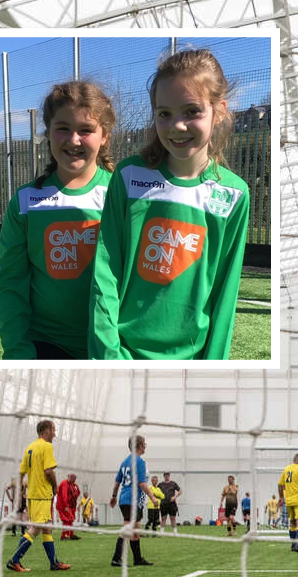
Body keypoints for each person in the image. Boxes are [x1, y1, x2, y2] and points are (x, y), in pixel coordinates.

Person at [89, 49, 250, 360]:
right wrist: (108, 351)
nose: (177, 125)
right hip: (121, 352)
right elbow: (104, 271)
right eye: (165, 113)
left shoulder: (234, 195)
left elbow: (225, 295)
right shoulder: (129, 175)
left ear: (218, 112)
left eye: (191, 111)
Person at [0, 81, 116, 360]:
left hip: (112, 346)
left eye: (86, 130)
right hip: (46, 344)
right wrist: (17, 349)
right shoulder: (26, 202)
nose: (74, 140)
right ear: (47, 132)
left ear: (104, 135)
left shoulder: (122, 196)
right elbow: (9, 283)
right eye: (63, 128)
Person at [6, 420, 70, 572]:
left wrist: (22, 490)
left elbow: (21, 472)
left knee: (47, 528)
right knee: (35, 529)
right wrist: (55, 487)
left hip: (32, 494)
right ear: (46, 431)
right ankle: (14, 560)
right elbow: (49, 471)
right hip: (42, 494)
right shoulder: (46, 446)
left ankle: (54, 562)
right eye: (53, 430)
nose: (55, 434)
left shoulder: (30, 447)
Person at [109, 436, 155, 567]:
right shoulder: (139, 461)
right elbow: (142, 483)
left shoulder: (125, 462)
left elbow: (117, 481)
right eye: (144, 444)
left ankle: (137, 559)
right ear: (140, 446)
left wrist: (113, 496)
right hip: (131, 500)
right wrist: (152, 497)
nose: (145, 446)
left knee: (135, 530)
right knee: (128, 529)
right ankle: (116, 558)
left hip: (125, 499)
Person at [56, 472, 82, 540]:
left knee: (70, 520)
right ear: (69, 477)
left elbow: (78, 492)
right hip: (63, 506)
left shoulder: (73, 484)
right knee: (66, 520)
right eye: (73, 479)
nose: (74, 480)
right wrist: (66, 506)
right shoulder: (64, 483)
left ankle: (71, 535)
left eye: (75, 479)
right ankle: (64, 536)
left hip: (71, 506)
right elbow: (64, 496)